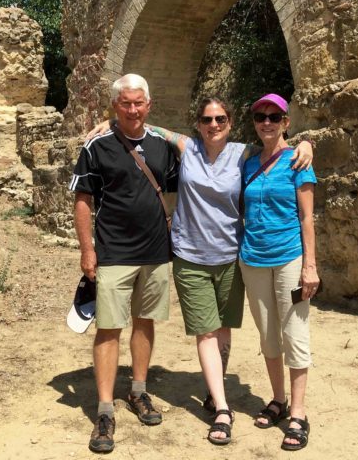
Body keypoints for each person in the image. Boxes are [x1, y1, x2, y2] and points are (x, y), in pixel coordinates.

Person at [86, 98, 313, 446]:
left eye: (221, 118)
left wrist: (306, 143)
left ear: (231, 121)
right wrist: (113, 124)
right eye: (207, 119)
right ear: (198, 123)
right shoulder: (187, 147)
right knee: (211, 331)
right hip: (193, 256)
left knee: (230, 328)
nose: (214, 124)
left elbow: (277, 146)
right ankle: (223, 406)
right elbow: (153, 129)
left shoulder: (244, 154)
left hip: (235, 256)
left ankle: (268, 403)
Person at [70, 73, 179, 454]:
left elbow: (184, 180)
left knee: (145, 322)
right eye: (125, 103)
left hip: (154, 251)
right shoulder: (97, 145)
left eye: (138, 103)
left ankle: (138, 391)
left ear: (149, 105)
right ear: (114, 106)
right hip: (113, 252)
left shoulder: (163, 146)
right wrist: (88, 249)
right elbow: (83, 200)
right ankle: (104, 409)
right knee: (109, 328)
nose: (132, 109)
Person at [238, 93, 319, 452]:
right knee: (268, 335)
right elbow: (197, 144)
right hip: (252, 260)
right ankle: (278, 399)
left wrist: (310, 267)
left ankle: (298, 413)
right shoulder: (248, 162)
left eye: (274, 116)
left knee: (294, 334)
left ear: (286, 122)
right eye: (260, 117)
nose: (266, 122)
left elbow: (306, 217)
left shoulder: (298, 161)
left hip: (288, 259)